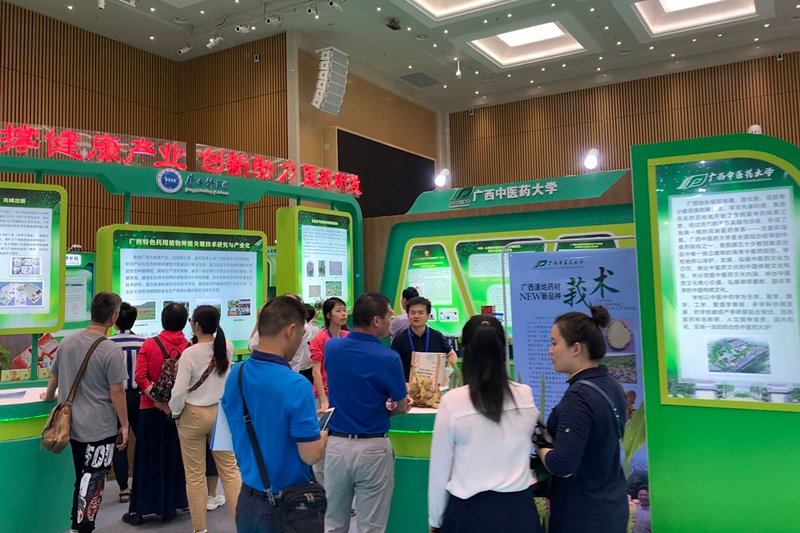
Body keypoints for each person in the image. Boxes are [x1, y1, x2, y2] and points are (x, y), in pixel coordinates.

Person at [221, 296, 327, 533]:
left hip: (247, 500)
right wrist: (323, 435)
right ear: (291, 330)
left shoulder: (236, 374)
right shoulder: (296, 385)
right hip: (289, 506)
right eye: (302, 335)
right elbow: (310, 454)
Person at [428, 316, 540, 533]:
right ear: (502, 350)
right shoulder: (525, 395)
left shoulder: (453, 402)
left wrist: (435, 519)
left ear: (466, 352)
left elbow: (439, 471)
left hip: (469, 514)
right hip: (520, 513)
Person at [535, 306, 629, 533]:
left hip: (582, 515)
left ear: (576, 348)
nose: (550, 350)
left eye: (555, 343)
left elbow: (562, 464)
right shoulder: (612, 385)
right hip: (612, 506)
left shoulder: (579, 397)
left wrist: (538, 441)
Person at [41, 292, 129, 533]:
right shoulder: (110, 350)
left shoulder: (68, 341)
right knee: (93, 482)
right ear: (113, 317)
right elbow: (117, 393)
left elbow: (54, 375)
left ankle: (75, 525)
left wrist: (48, 397)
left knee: (82, 477)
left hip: (72, 426)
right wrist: (124, 424)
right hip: (99, 428)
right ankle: (83, 528)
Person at [324, 292, 412, 533]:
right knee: (371, 526)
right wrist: (388, 408)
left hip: (336, 446)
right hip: (373, 447)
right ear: (376, 320)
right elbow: (400, 405)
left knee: (333, 523)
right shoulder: (388, 357)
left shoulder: (332, 347)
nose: (391, 322)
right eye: (389, 317)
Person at [169, 305, 242, 533]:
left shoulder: (189, 354)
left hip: (193, 415)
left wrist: (175, 413)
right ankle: (243, 525)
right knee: (230, 471)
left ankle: (199, 529)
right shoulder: (227, 346)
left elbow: (178, 392)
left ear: (197, 325)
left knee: (194, 476)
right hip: (221, 413)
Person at [122, 303, 190, 525]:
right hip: (179, 412)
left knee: (147, 460)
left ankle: (141, 510)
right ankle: (171, 506)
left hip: (150, 410)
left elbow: (140, 376)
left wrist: (158, 401)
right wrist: (170, 404)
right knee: (173, 459)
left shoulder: (150, 344)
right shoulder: (189, 347)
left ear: (162, 320)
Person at [109, 302, 146, 503]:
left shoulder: (108, 344)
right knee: (143, 441)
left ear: (115, 320)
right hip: (140, 397)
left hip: (116, 397)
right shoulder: (144, 342)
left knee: (120, 442)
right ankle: (143, 483)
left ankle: (124, 489)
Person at [390, 296, 458, 382]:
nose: (416, 316)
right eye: (412, 313)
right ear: (408, 315)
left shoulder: (437, 336)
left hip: (434, 386)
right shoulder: (399, 339)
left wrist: (447, 372)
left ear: (428, 316)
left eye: (420, 313)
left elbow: (452, 355)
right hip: (408, 386)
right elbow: (391, 364)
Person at [310, 297, 349, 411]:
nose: (343, 314)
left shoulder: (348, 336)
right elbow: (316, 372)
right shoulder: (319, 339)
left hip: (344, 391)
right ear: (328, 315)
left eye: (344, 310)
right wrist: (323, 400)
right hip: (325, 393)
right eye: (338, 311)